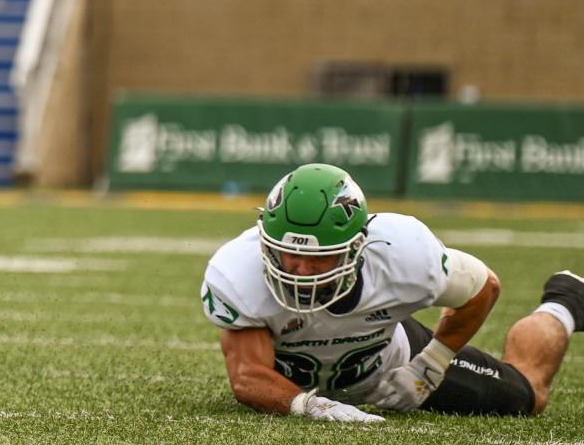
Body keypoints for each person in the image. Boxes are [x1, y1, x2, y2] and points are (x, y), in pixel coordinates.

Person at [203, 163, 571, 421]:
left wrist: (430, 366)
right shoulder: (239, 272)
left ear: (356, 246)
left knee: (529, 396)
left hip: (391, 359)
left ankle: (565, 302)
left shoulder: (403, 253)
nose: (301, 270)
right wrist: (312, 407)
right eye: (290, 254)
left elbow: (483, 287)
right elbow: (248, 376)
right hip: (296, 381)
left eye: (320, 259)